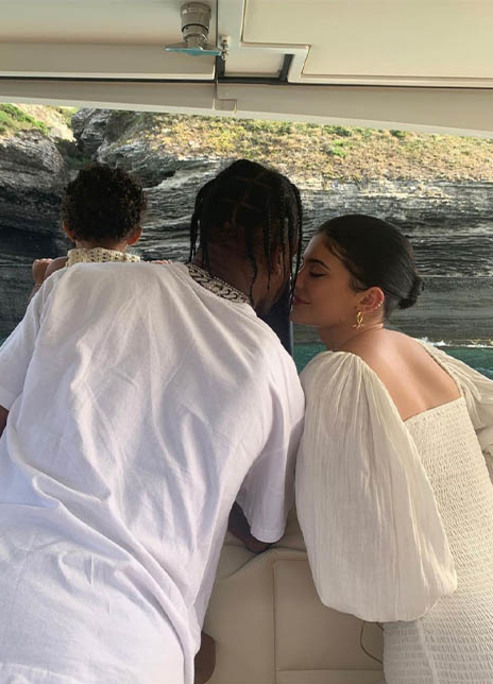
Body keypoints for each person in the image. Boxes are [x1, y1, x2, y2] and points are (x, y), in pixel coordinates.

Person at [0, 159, 305, 684]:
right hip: (128, 642)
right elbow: (262, 529)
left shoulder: (75, 284)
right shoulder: (275, 370)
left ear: (199, 228)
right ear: (282, 255)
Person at [291, 214, 493, 683]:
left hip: (442, 632)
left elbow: (346, 513)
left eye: (317, 273)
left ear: (370, 299)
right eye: (303, 265)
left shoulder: (340, 374)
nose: (297, 281)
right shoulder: (426, 355)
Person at [31, 162, 145, 299]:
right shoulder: (143, 274)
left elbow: (39, 311)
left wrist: (40, 282)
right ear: (135, 235)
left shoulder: (60, 268)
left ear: (69, 230)